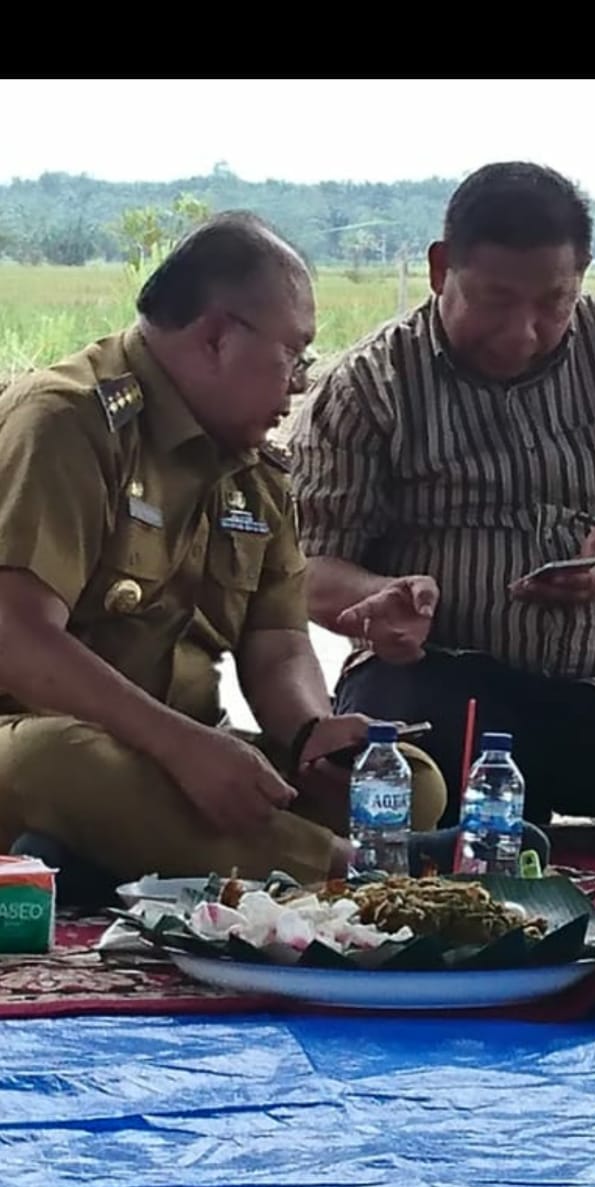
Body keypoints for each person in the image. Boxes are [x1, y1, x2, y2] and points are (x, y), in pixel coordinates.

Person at [0, 212, 448, 889]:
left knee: (406, 782)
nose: (300, 382)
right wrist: (178, 746)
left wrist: (309, 733)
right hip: (50, 739)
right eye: (293, 355)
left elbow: (279, 642)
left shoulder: (252, 466)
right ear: (215, 337)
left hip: (179, 756)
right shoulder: (66, 423)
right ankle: (345, 873)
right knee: (53, 760)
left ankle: (120, 858)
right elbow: (18, 638)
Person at [291, 162, 595, 846]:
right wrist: (383, 598)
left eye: (554, 301)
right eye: (494, 299)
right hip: (448, 683)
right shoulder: (370, 386)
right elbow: (305, 566)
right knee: (397, 783)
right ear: (440, 270)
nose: (523, 331)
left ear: (583, 274)